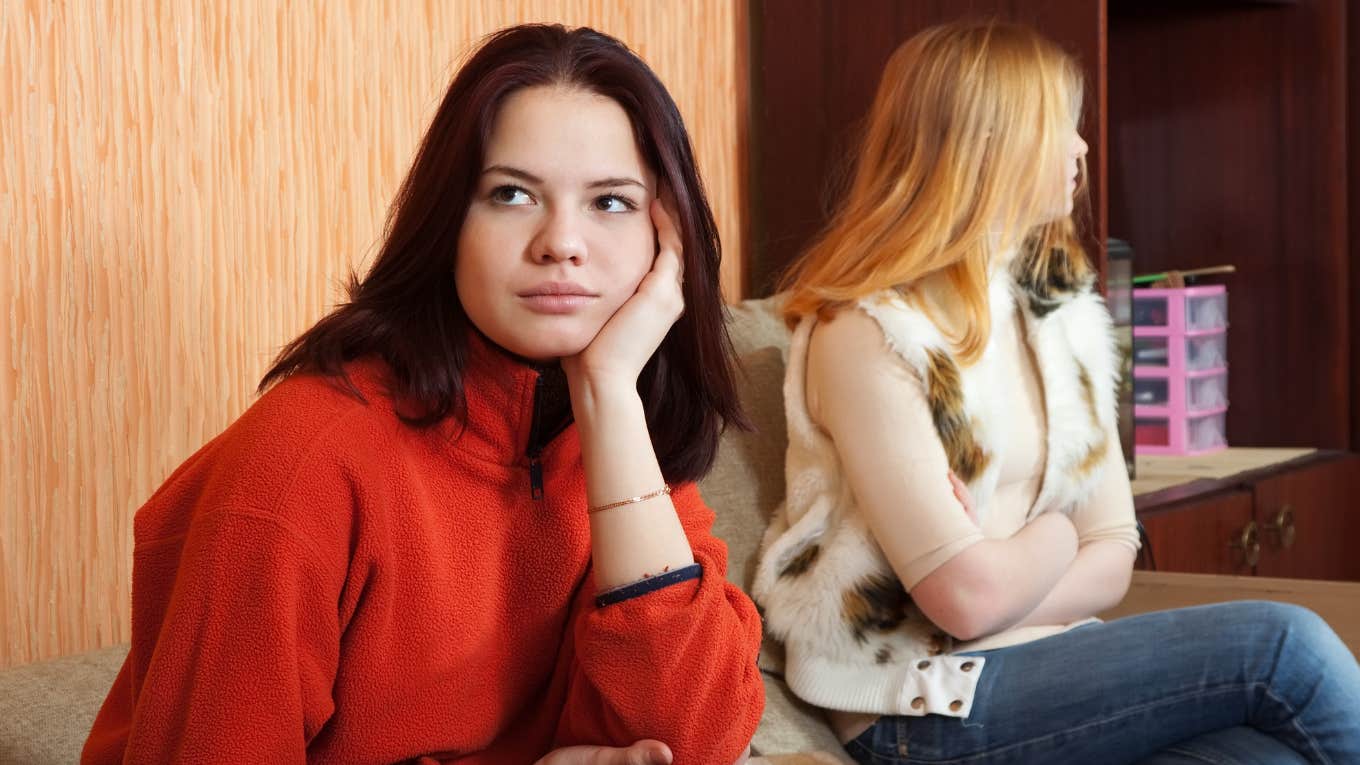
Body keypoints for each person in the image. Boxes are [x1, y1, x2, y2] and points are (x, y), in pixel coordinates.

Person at [83, 24, 762, 765]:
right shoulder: (302, 460)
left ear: (669, 242)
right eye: (511, 194)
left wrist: (607, 396)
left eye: (610, 202)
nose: (561, 241)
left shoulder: (615, 428)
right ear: (448, 225)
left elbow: (697, 740)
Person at [752, 18, 1359, 765]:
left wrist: (1006, 566)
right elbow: (969, 598)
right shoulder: (869, 333)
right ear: (987, 145)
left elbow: (1115, 554)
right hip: (923, 702)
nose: (1080, 150)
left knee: (1271, 756)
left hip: (1054, 669)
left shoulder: (1058, 312)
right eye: (1058, 128)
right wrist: (1057, 534)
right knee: (1284, 647)